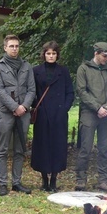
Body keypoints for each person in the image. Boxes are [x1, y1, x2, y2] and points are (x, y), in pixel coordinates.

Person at [0, 34, 36, 196]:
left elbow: (32, 89)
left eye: (17, 46)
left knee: (20, 150)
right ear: (5, 47)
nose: (14, 49)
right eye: (11, 46)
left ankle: (17, 182)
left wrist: (24, 106)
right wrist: (14, 107)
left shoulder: (26, 66)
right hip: (5, 113)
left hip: (23, 113)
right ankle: (3, 183)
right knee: (2, 150)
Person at [31, 41, 74, 192]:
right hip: (43, 114)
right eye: (48, 53)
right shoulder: (35, 70)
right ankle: (44, 180)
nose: (51, 56)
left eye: (54, 53)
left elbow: (70, 92)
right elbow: (32, 91)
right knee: (42, 145)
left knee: (58, 146)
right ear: (44, 55)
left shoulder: (63, 71)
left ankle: (54, 179)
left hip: (59, 114)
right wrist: (37, 107)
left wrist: (64, 109)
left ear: (57, 55)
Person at [75, 42, 107, 192]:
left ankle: (103, 180)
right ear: (96, 53)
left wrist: (106, 107)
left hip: (106, 114)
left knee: (104, 148)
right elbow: (81, 91)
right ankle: (81, 179)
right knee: (85, 148)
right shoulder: (84, 68)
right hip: (89, 112)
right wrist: (97, 107)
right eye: (105, 55)